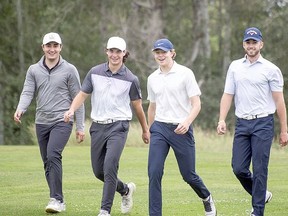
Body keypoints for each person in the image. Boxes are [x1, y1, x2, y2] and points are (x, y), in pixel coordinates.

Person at [64, 36, 149, 216]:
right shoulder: (95, 72)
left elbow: (138, 107)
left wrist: (145, 129)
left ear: (124, 53)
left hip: (119, 127)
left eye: (118, 51)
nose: (114, 55)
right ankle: (125, 190)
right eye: (111, 51)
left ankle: (105, 210)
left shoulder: (131, 78)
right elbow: (82, 94)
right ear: (106, 52)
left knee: (110, 166)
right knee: (98, 171)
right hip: (98, 126)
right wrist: (71, 109)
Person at [217, 27, 288, 216]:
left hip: (263, 123)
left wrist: (284, 130)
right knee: (238, 168)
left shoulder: (271, 69)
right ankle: (261, 194)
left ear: (261, 44)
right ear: (243, 45)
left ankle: (257, 211)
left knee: (259, 169)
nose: (251, 45)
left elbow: (279, 100)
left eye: (254, 42)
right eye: (248, 42)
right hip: (242, 123)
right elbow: (227, 94)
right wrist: (222, 119)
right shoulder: (234, 66)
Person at [13, 32, 85, 213]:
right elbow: (28, 92)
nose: (52, 49)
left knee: (53, 155)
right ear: (43, 48)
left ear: (61, 47)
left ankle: (56, 199)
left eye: (55, 46)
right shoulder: (33, 70)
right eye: (49, 46)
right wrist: (21, 108)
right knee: (47, 161)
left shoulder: (70, 70)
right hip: (41, 121)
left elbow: (79, 98)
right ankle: (57, 198)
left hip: (63, 120)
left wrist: (80, 126)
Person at [147, 38, 216, 216]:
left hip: (181, 129)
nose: (160, 55)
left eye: (164, 52)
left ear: (172, 53)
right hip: (160, 128)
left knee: (188, 175)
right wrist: (149, 129)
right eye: (157, 52)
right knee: (154, 172)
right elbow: (152, 107)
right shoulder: (152, 78)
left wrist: (186, 122)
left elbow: (196, 104)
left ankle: (206, 197)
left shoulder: (185, 74)